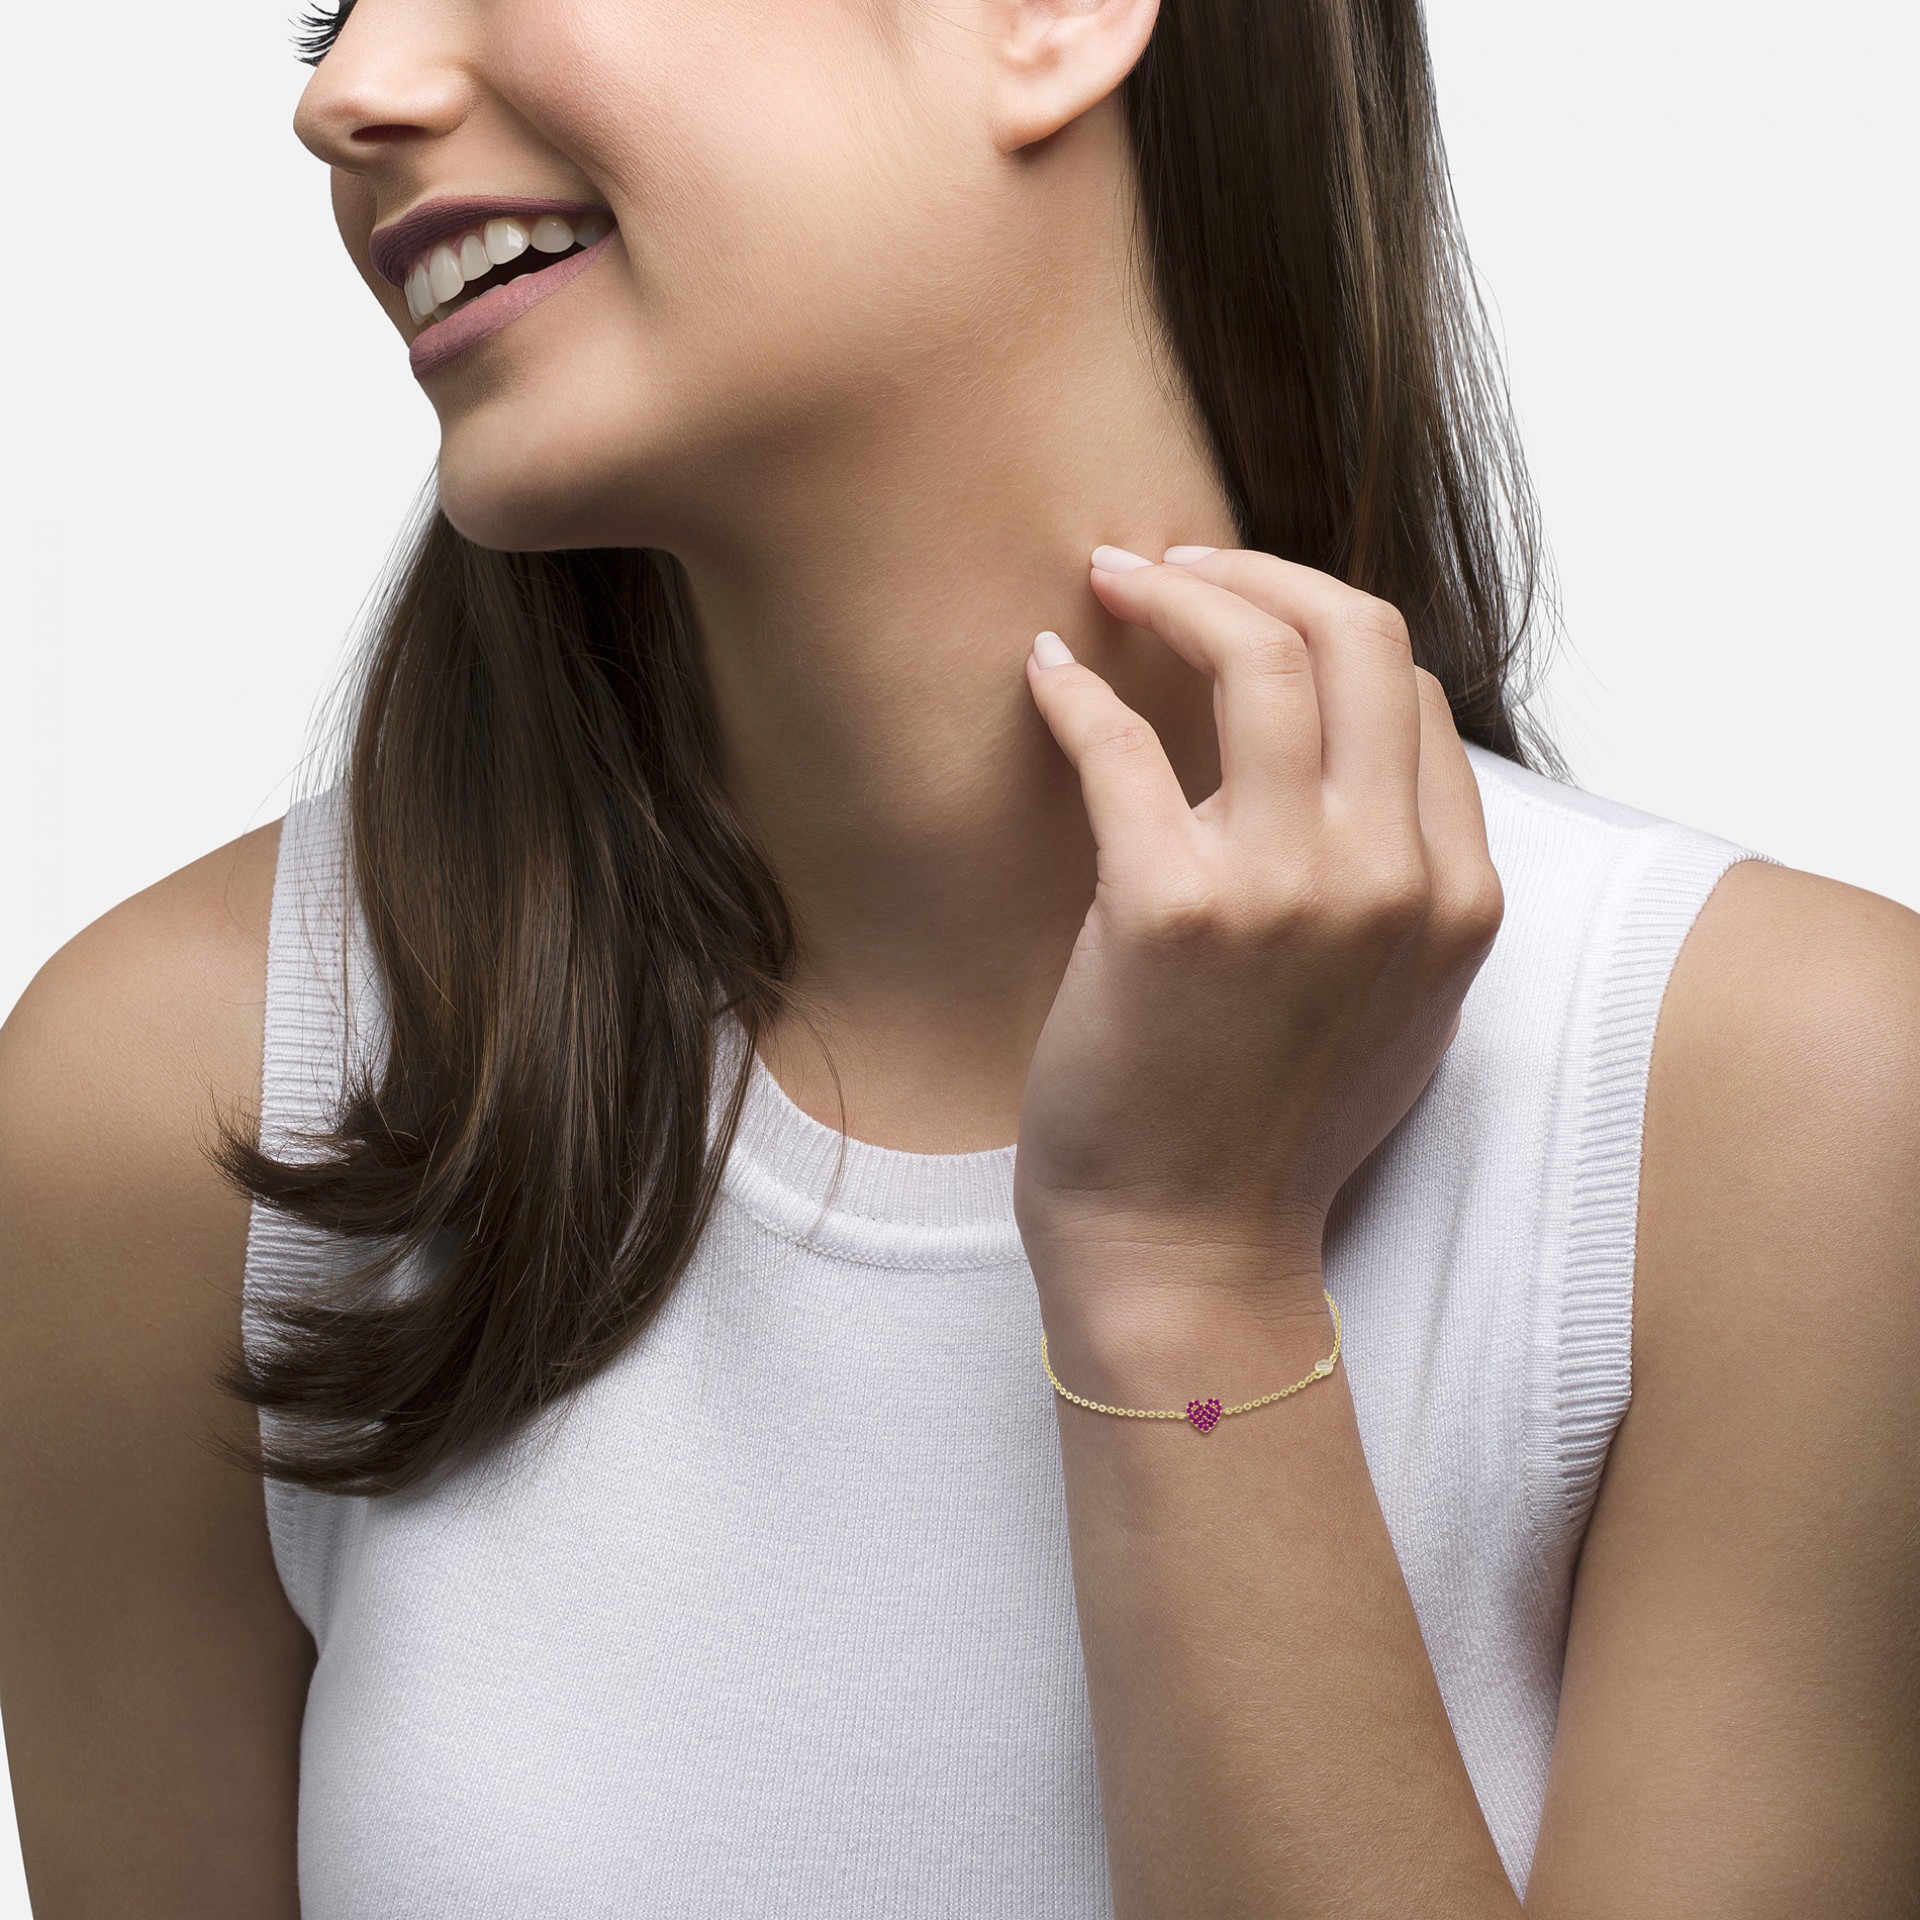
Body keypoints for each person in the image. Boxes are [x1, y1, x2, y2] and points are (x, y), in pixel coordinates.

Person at [1, 0, 1914, 1913]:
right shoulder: (189, 1106)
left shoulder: (1783, 1123)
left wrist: (1186, 1282)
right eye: (333, 5)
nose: (348, 93)